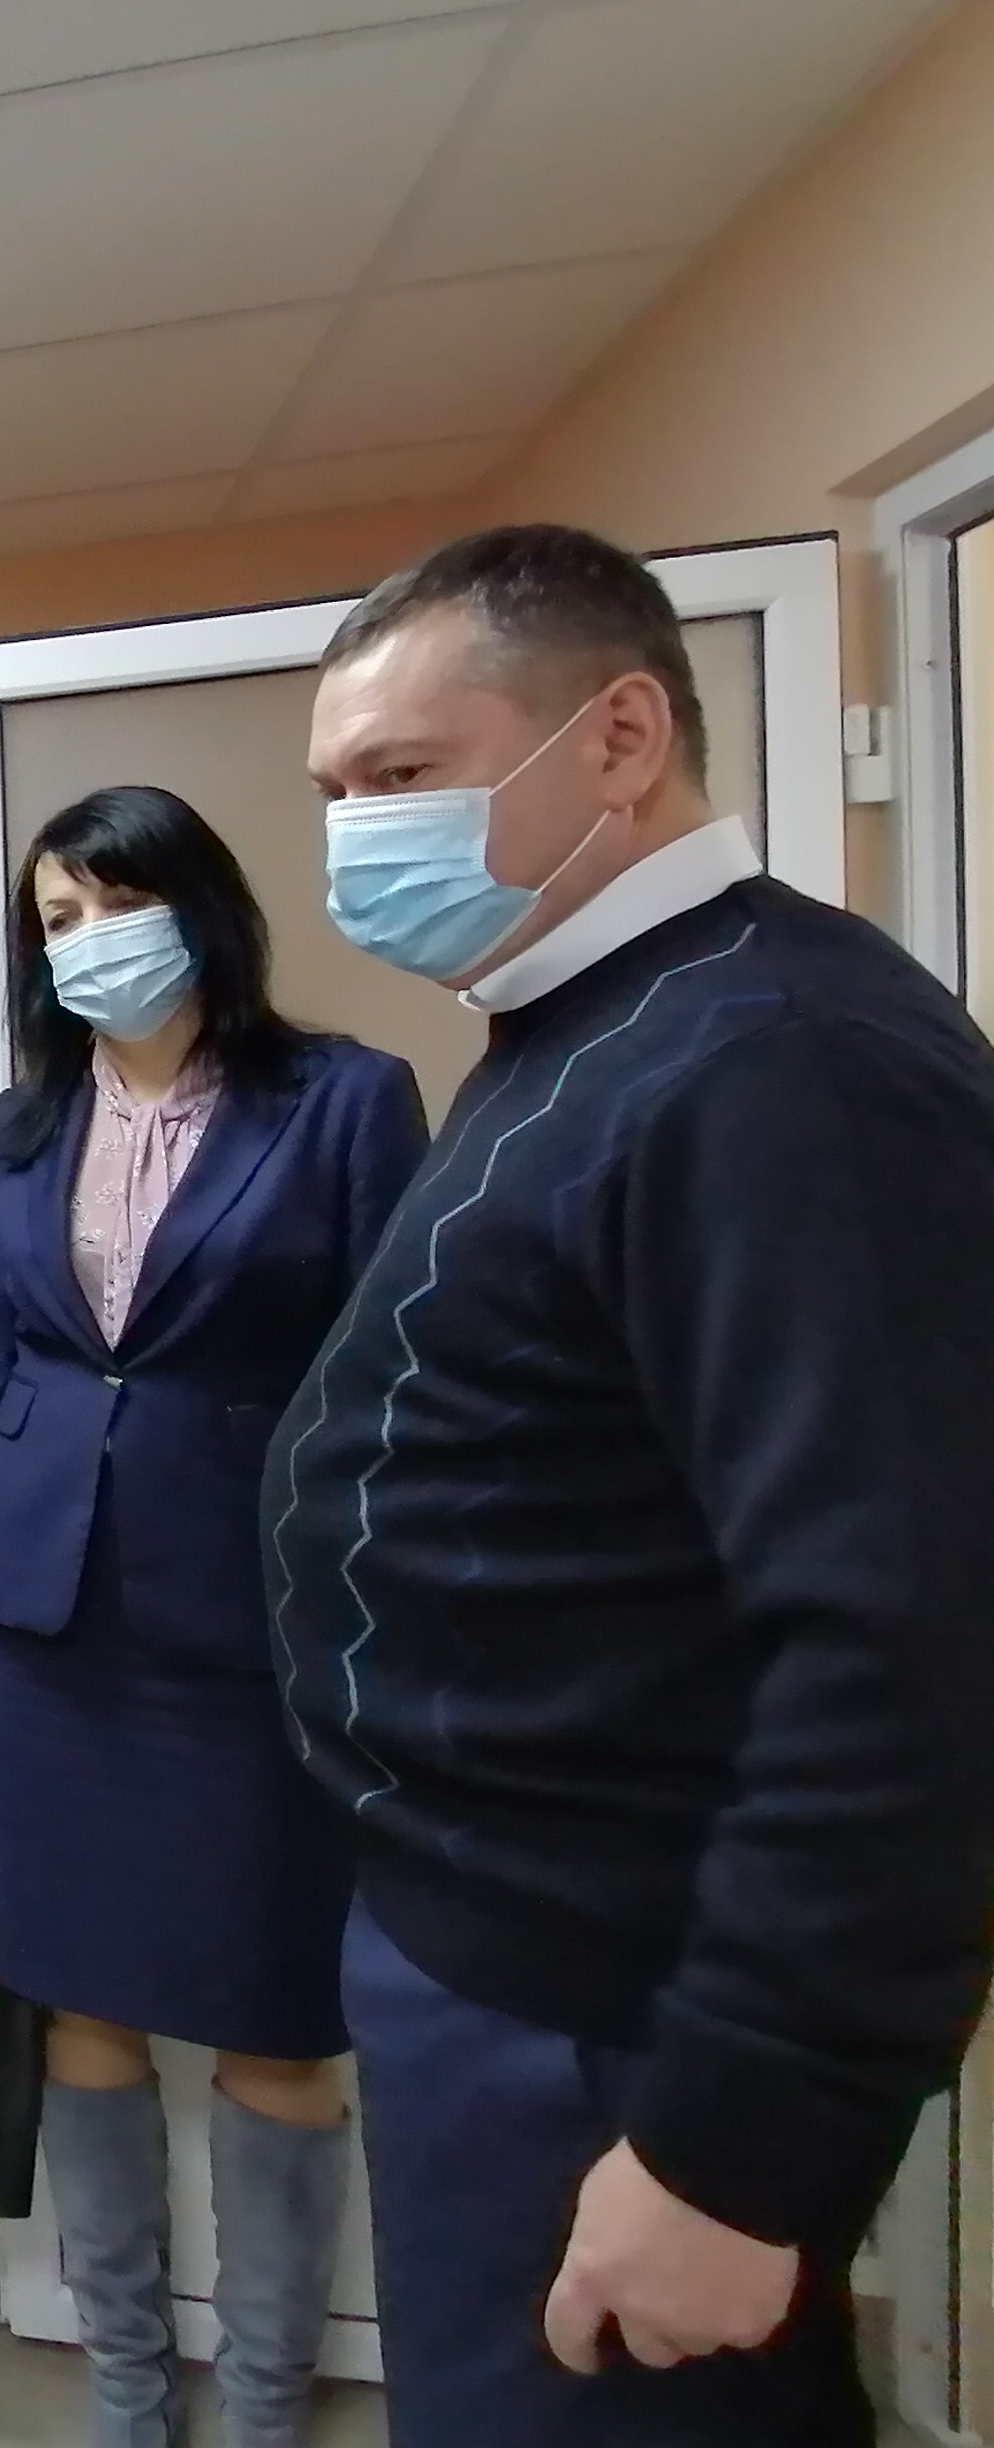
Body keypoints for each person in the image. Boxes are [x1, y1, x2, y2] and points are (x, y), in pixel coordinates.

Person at [276, 524, 994, 2444]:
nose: (357, 835)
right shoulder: (581, 1028)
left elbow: (909, 1642)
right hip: (493, 1943)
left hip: (618, 2021)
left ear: (618, 735)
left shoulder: (785, 1061)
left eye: (403, 774)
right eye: (336, 793)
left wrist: (735, 2143)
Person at [0, 789, 426, 2448]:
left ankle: (268, 2401)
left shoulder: (342, 1099)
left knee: (278, 2023)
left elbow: (396, 1376)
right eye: (58, 919)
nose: (89, 941)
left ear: (200, 908)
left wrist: (381, 1621)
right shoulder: (24, 1125)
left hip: (253, 1631)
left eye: (117, 903)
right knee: (78, 2003)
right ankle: (131, 2389)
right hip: (39, 1628)